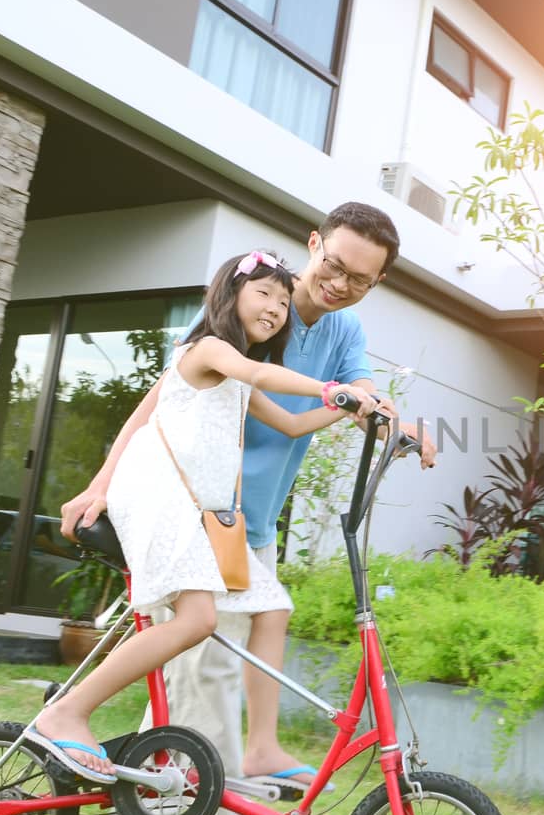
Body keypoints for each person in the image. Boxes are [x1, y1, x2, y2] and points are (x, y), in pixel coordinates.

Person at [62, 202, 433, 815]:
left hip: (244, 526)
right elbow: (163, 399)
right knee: (212, 672)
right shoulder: (254, 313)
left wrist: (397, 426)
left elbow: (351, 400)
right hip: (197, 517)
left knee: (191, 671)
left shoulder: (344, 329)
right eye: (334, 265)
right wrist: (100, 484)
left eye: (361, 278)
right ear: (312, 246)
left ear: (374, 284)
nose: (340, 284)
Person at [34, 250, 370, 782]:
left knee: (273, 607)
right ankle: (67, 710)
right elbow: (257, 368)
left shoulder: (241, 383)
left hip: (197, 514)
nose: (276, 307)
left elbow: (292, 425)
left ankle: (261, 748)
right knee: (198, 619)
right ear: (229, 295)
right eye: (264, 293)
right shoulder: (208, 349)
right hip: (156, 497)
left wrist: (357, 411)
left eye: (284, 302)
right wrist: (332, 387)